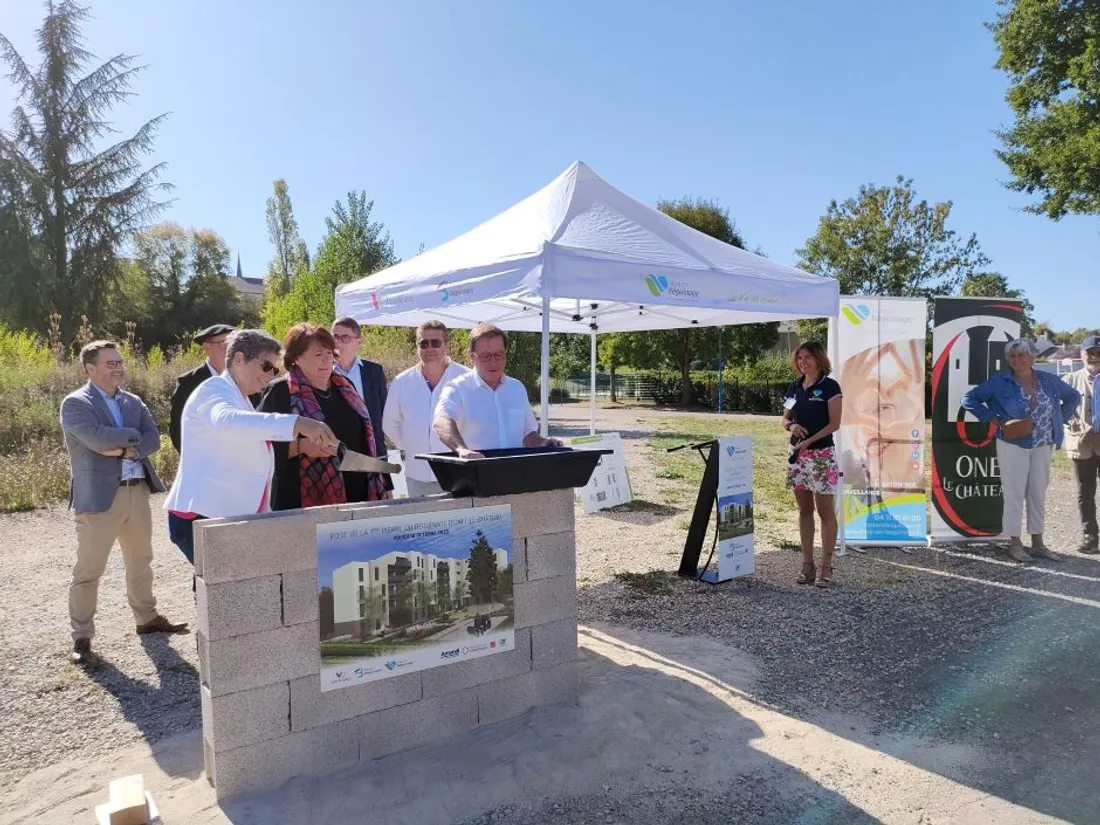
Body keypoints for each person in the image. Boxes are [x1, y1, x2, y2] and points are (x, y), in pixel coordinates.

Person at [60, 341, 189, 666]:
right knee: (90, 569)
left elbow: (153, 440)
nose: (118, 368)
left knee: (141, 560)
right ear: (90, 368)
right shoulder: (75, 404)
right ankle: (82, 636)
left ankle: (146, 619)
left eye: (119, 362)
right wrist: (128, 443)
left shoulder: (133, 401)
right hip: (99, 496)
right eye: (110, 363)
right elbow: (96, 439)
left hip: (136, 491)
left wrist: (119, 444)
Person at [165, 329, 340, 563]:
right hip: (201, 515)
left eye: (275, 370)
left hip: (225, 516)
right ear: (238, 359)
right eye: (266, 366)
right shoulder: (214, 390)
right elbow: (227, 421)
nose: (270, 375)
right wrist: (297, 423)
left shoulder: (242, 397)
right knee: (229, 593)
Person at [962, 338, 1081, 563]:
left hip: (1043, 444)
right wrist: (992, 418)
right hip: (1013, 444)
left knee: (1037, 494)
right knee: (1014, 494)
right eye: (1012, 356)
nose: (1017, 360)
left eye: (1022, 355)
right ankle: (1015, 543)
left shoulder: (1048, 380)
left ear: (1032, 357)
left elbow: (1073, 396)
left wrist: (1059, 418)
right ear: (1008, 359)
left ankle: (1038, 543)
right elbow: (969, 399)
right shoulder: (1000, 382)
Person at [259, 323, 390, 510]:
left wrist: (383, 481)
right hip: (301, 501)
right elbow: (261, 446)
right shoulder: (281, 392)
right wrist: (300, 447)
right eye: (318, 355)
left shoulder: (345, 386)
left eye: (329, 353)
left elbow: (369, 438)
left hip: (359, 495)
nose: (326, 360)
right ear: (296, 357)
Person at [434, 323, 561, 458]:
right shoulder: (457, 388)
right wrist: (462, 450)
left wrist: (545, 443)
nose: (493, 362)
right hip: (476, 474)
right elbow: (441, 421)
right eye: (485, 356)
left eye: (498, 354)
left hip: (515, 474)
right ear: (472, 357)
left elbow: (528, 435)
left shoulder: (516, 388)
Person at [382, 320, 470, 496]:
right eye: (423, 343)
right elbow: (390, 423)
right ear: (417, 346)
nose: (429, 348)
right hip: (417, 475)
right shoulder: (402, 382)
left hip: (458, 473)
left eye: (435, 343)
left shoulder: (467, 379)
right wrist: (410, 445)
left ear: (447, 345)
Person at [782, 341, 843, 587]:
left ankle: (826, 566)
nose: (802, 362)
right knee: (804, 510)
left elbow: (834, 424)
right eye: (799, 358)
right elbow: (785, 419)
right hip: (797, 456)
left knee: (824, 511)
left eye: (807, 357)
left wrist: (810, 442)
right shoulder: (794, 387)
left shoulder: (830, 387)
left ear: (819, 360)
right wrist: (791, 426)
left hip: (821, 456)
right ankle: (807, 565)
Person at [169, 324, 235, 452]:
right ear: (206, 347)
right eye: (224, 344)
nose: (231, 349)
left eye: (234, 344)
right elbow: (178, 429)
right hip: (206, 462)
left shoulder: (244, 379)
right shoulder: (188, 383)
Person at [1061, 335, 1100, 554]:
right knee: (1085, 492)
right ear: (1081, 355)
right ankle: (1090, 536)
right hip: (1081, 444)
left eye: (1098, 353)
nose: (1094, 357)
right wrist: (1080, 428)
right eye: (1090, 352)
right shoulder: (1068, 380)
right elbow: (1061, 411)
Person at [331, 317, 388, 461]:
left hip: (373, 451)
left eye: (345, 338)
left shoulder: (374, 371)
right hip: (337, 453)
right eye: (335, 336)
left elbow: (383, 412)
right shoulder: (323, 372)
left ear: (358, 342)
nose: (338, 342)